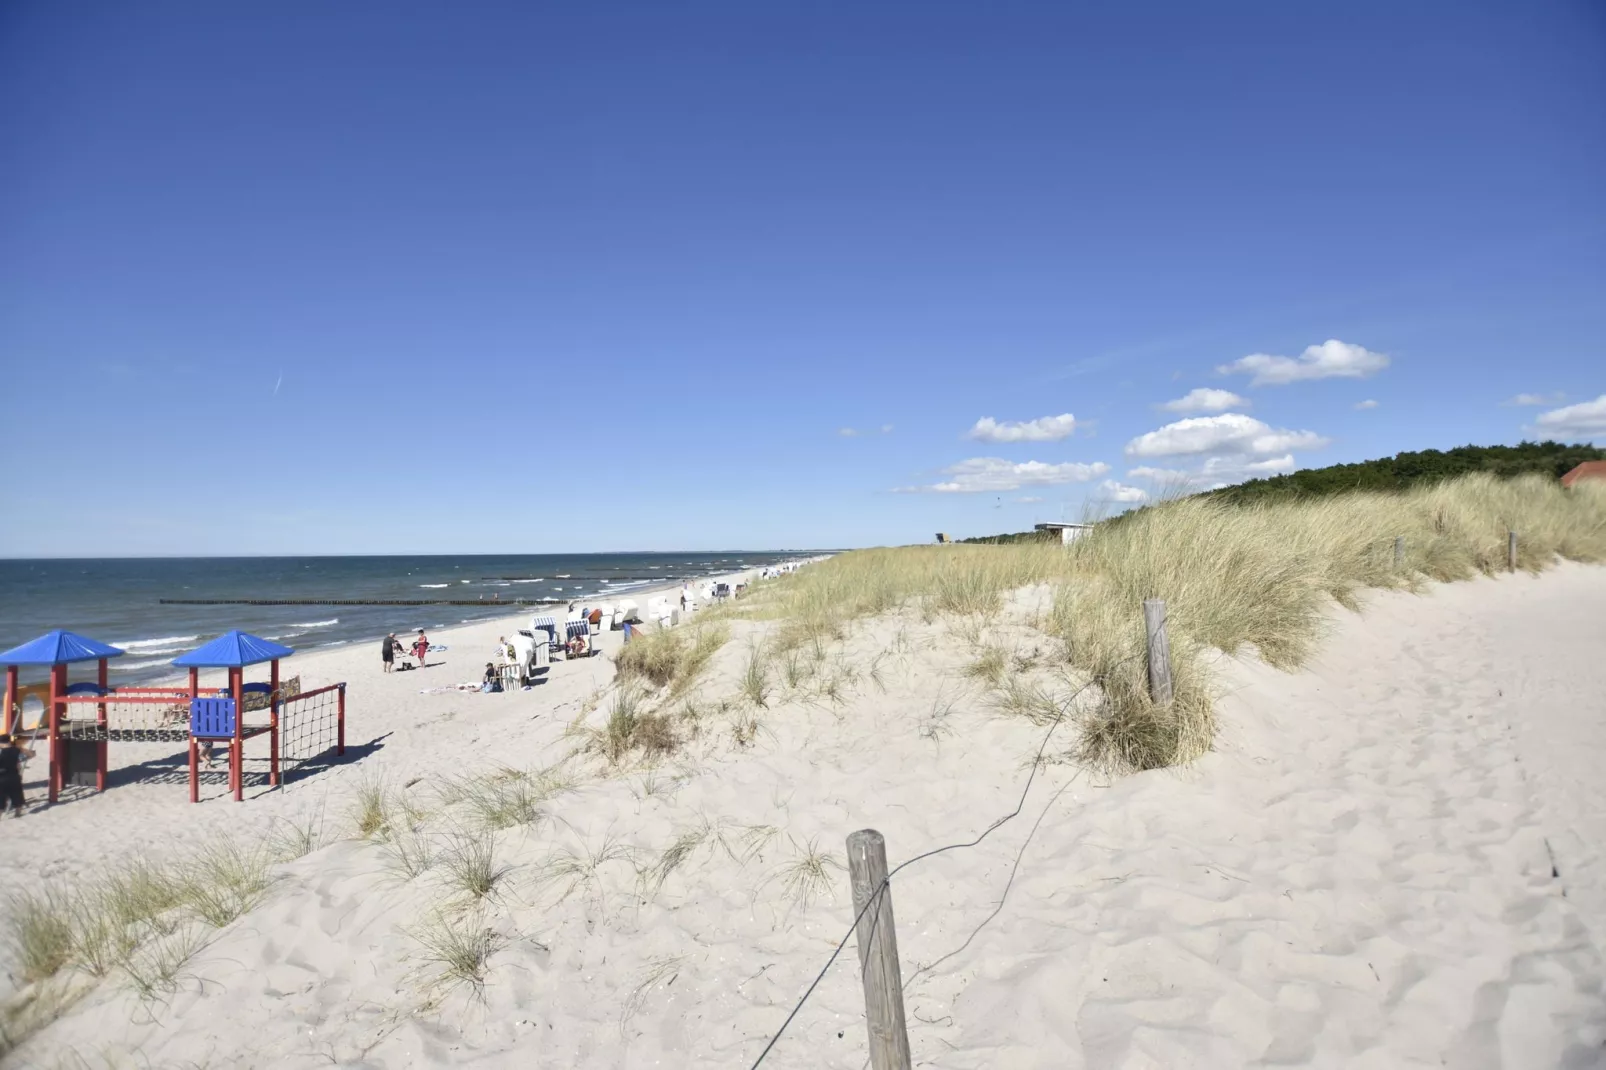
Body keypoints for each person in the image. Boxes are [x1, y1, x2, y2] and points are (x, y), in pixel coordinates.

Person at [0, 734, 34, 817]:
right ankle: (17, 813)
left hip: (2, 776)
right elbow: (31, 755)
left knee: (1, 797)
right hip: (14, 775)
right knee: (16, 794)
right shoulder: (16, 750)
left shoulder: (1, 752)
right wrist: (21, 751)